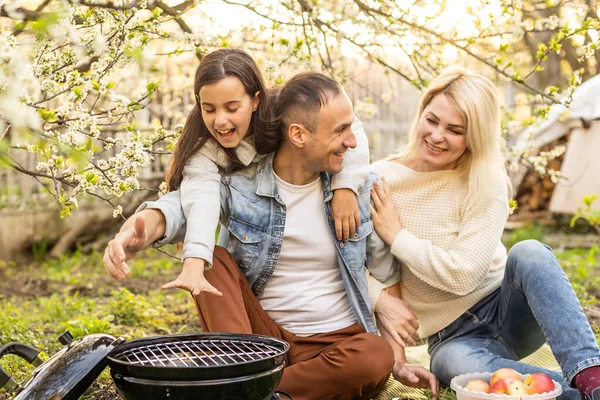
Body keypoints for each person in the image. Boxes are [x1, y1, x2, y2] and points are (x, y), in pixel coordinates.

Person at [103, 72, 438, 400]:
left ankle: (242, 388)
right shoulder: (243, 184)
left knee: (373, 356)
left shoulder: (356, 189)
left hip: (339, 344)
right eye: (340, 131)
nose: (352, 141)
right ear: (298, 134)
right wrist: (141, 228)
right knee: (211, 261)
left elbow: (384, 271)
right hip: (260, 341)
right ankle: (256, 382)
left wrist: (398, 359)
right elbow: (185, 206)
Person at [368, 66, 600, 400]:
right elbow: (348, 262)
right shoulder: (380, 179)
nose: (436, 136)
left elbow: (462, 276)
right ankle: (577, 395)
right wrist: (379, 298)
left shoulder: (486, 178)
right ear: (420, 113)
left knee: (530, 252)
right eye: (431, 120)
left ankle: (590, 373)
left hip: (508, 305)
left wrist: (397, 235)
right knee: (450, 364)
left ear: (473, 136)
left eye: (455, 130)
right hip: (451, 336)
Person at [154, 48, 370, 297]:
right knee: (225, 261)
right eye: (209, 109)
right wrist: (194, 259)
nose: (220, 121)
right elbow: (201, 199)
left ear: (255, 101)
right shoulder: (205, 150)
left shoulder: (279, 111)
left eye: (232, 108)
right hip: (243, 215)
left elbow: (349, 128)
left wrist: (344, 186)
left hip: (283, 202)